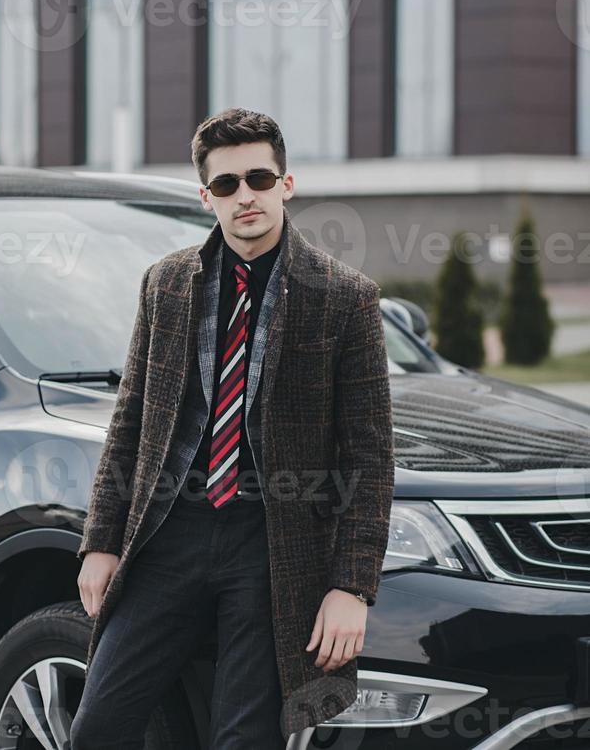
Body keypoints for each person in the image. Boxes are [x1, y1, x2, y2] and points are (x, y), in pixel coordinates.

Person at [70, 108, 395, 749]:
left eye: (258, 178)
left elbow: (370, 456)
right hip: (167, 536)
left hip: (269, 544)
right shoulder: (165, 285)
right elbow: (130, 421)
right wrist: (100, 540)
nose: (244, 195)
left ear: (286, 183)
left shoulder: (344, 296)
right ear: (206, 197)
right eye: (226, 184)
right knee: (97, 729)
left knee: (244, 741)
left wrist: (351, 587)